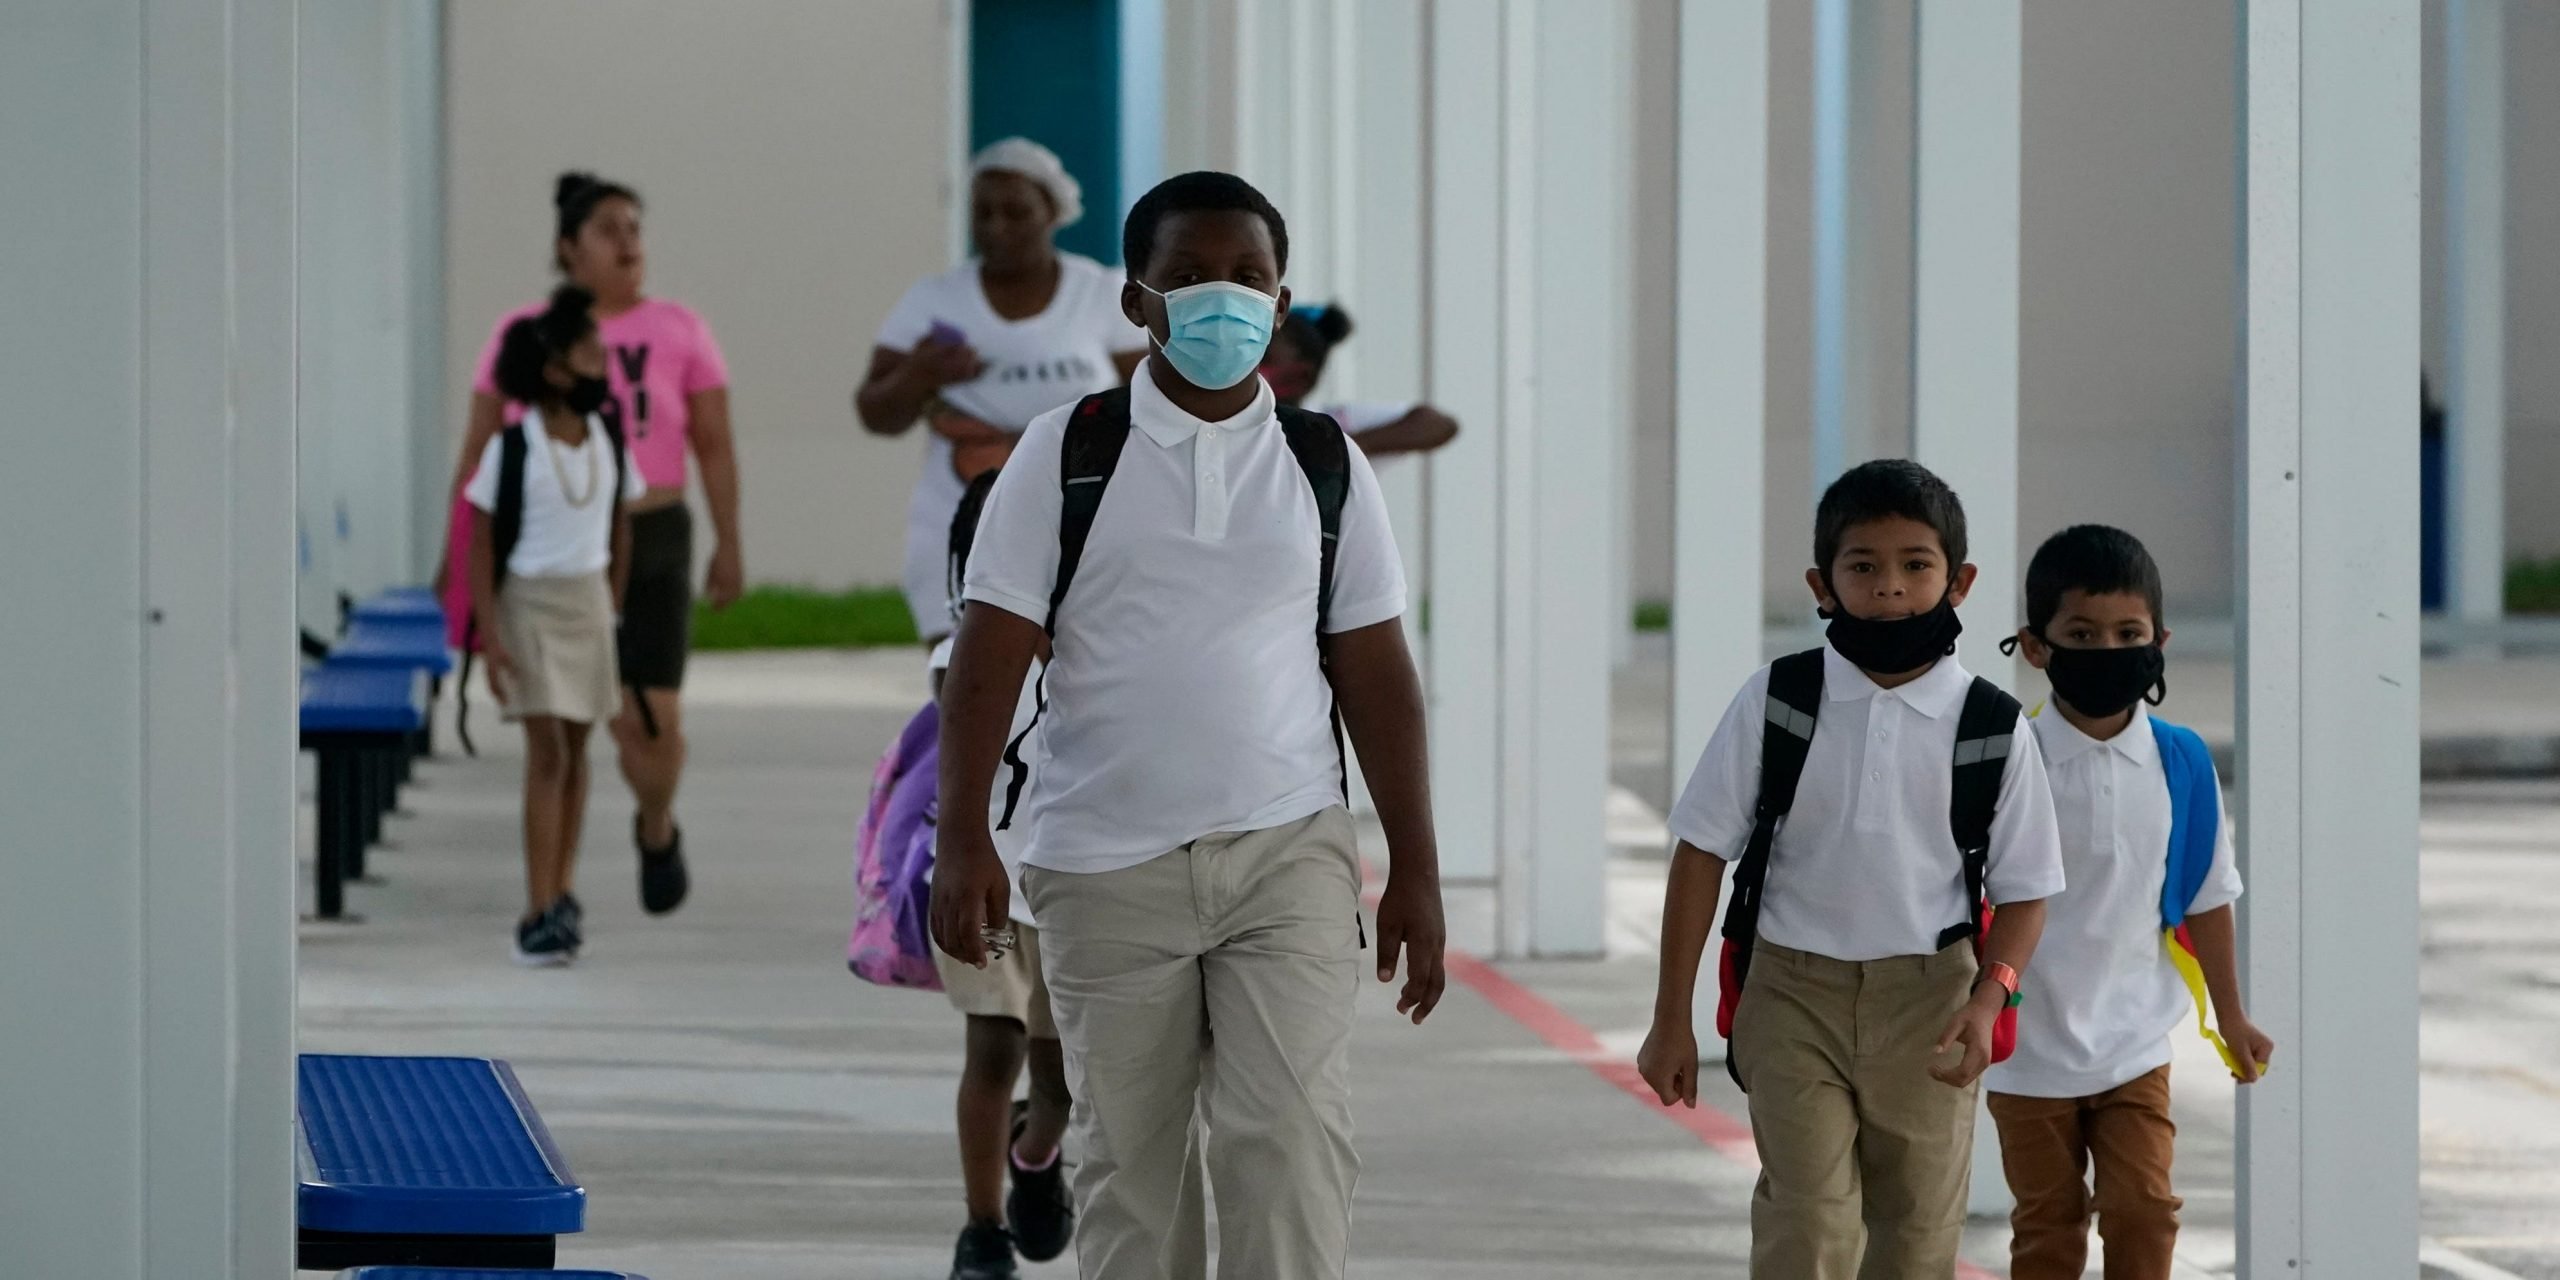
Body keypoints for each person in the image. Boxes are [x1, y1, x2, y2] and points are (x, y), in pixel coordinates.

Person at [931, 171, 1447, 1280]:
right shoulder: (1063, 451)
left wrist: (1415, 863)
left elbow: (1375, 669)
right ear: (1137, 302)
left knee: (1294, 1140)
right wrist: (963, 835)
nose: (1223, 299)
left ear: (1282, 295)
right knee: (1133, 1163)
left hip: (1286, 848)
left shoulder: (1323, 463)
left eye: (1248, 277)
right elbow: (986, 655)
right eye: (1190, 277)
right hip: (1106, 861)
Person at [1635, 458, 2065, 1279]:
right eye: (1863, 567)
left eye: (1916, 565)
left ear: (1960, 581)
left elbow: (2026, 890)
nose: (1890, 588)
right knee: (1812, 1221)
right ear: (1821, 584)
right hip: (1793, 994)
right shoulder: (1781, 700)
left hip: (1933, 1000)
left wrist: (1989, 998)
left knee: (1915, 1237)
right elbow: (1700, 854)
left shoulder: (1990, 726)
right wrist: (1669, 1016)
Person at [445, 170, 742, 919]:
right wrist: (456, 574)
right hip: (554, 542)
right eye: (609, 229)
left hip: (654, 528)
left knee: (654, 721)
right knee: (569, 731)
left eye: (635, 228)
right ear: (568, 247)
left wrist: (729, 541)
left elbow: (713, 442)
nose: (628, 242)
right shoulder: (530, 336)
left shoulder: (680, 328)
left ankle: (655, 820)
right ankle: (551, 898)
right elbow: (479, 448)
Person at [1985, 525, 2276, 1280]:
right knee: (2047, 1229)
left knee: (2143, 1212)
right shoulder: (2013, 761)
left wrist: (2230, 1014)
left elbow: (2208, 898)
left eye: (2128, 633)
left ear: (2160, 641)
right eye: (2082, 633)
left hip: (2134, 1047)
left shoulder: (2180, 762)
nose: (2108, 649)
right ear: (2037, 646)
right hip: (2025, 1057)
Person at [856, 137, 1150, 644]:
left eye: (1016, 212)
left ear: (1053, 212)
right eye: (983, 213)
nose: (996, 228)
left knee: (1071, 675)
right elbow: (876, 414)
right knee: (960, 673)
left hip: (1082, 518)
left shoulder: (1100, 293)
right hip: (959, 517)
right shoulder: (936, 299)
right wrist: (921, 373)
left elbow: (1156, 396)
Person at [463, 286, 648, 965]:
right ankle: (538, 907)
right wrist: (489, 631)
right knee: (548, 753)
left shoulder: (605, 438)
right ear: (552, 369)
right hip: (530, 606)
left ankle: (562, 891)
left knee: (577, 753)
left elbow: (621, 526)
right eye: (589, 354)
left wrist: (613, 605)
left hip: (588, 605)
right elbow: (480, 543)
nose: (603, 365)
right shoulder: (512, 447)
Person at [929, 472, 1074, 1280]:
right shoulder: (961, 655)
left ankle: (1035, 1151)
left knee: (1058, 1079)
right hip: (988, 879)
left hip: (1070, 887)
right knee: (992, 1050)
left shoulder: (1097, 644)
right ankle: (982, 1228)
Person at [1258, 302, 1459, 456]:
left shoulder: (1328, 424)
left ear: (1300, 377)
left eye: (1264, 357)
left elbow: (1438, 424)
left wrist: (1338, 451)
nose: (1251, 363)